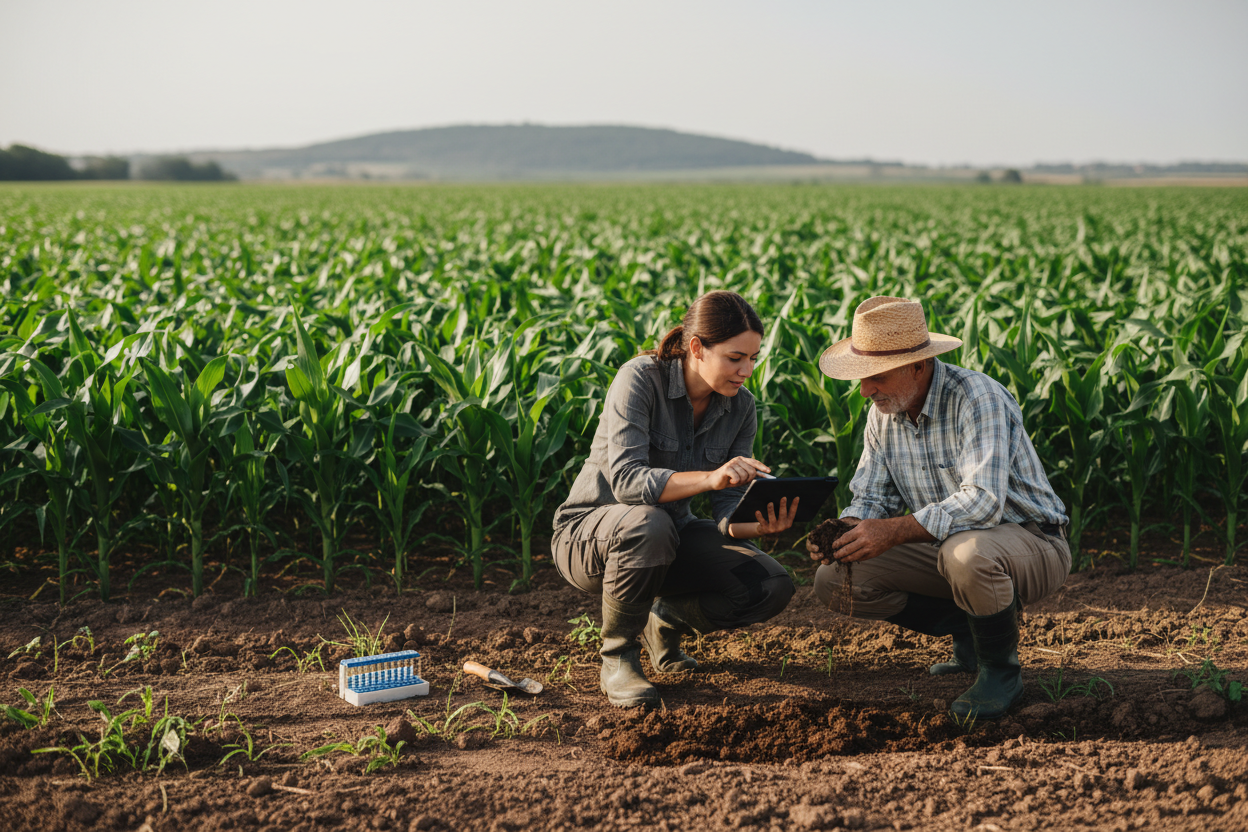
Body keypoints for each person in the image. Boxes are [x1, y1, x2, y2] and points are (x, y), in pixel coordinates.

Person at [807, 296, 1070, 720]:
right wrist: (845, 531)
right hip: (944, 545)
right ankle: (969, 627)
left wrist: (892, 531)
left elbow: (983, 503)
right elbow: (873, 497)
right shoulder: (884, 413)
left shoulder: (977, 397)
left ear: (918, 365)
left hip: (1031, 543)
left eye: (876, 376)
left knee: (966, 553)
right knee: (834, 578)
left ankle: (1001, 672)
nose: (865, 390)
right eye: (861, 378)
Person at [552, 291, 798, 708]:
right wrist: (710, 477)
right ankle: (618, 657)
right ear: (697, 348)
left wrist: (757, 525)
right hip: (589, 537)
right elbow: (628, 482)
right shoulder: (640, 379)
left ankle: (663, 621)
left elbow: (726, 510)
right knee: (649, 523)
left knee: (769, 585)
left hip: (667, 537)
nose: (747, 371)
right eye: (736, 358)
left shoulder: (742, 408)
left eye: (754, 359)